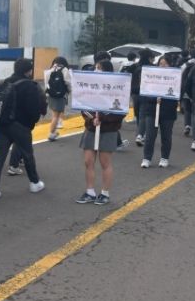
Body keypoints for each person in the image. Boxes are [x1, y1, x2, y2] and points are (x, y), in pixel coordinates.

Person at [0, 58, 47, 199]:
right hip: (21, 126)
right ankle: (35, 183)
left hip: (1, 124)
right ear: (28, 71)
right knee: (27, 154)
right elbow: (34, 110)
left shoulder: (5, 82)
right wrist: (31, 123)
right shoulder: (30, 85)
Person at [76, 60, 125, 206]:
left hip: (108, 130)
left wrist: (102, 118)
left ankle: (105, 193)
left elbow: (120, 112)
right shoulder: (90, 86)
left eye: (100, 68)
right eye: (96, 67)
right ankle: (90, 191)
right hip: (91, 129)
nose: (97, 70)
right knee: (88, 161)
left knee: (105, 162)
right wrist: (92, 119)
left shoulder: (117, 88)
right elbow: (83, 106)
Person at [140, 56, 179, 168]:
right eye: (160, 64)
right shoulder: (152, 77)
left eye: (165, 64)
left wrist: (167, 98)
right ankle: (147, 158)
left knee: (166, 136)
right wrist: (154, 99)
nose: (163, 66)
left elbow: (178, 94)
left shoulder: (176, 77)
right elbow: (145, 94)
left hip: (168, 111)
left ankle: (164, 158)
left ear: (170, 65)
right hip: (152, 111)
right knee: (150, 136)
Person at [46, 57, 71, 142]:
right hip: (60, 95)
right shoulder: (65, 70)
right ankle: (51, 133)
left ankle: (54, 131)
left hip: (51, 95)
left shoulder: (49, 70)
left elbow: (46, 84)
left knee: (54, 114)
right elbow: (68, 83)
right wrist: (69, 91)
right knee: (56, 116)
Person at [132, 48, 154, 146]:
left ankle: (140, 132)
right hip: (146, 93)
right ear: (149, 57)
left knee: (138, 114)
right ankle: (140, 135)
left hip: (135, 93)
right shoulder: (152, 68)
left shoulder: (135, 66)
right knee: (143, 115)